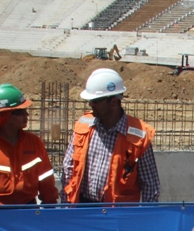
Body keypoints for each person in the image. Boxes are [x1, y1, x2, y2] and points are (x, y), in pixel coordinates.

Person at [61, 68, 159, 204]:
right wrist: (66, 206)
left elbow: (150, 185)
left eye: (95, 101)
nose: (91, 104)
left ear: (113, 102)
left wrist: (145, 219)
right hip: (82, 209)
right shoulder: (83, 126)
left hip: (117, 216)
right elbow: (69, 168)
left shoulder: (139, 135)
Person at [0, 84, 59, 206]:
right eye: (20, 112)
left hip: (29, 211)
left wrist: (51, 209)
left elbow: (46, 180)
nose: (26, 115)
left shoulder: (34, 142)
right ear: (4, 116)